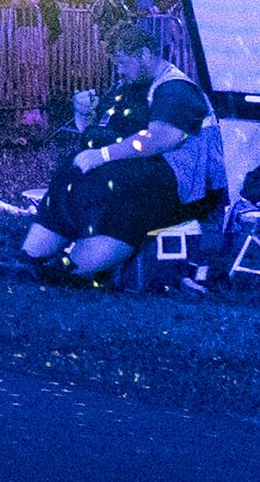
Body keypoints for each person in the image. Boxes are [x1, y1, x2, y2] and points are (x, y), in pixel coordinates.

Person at [23, 21, 222, 286]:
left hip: (188, 188)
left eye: (122, 62)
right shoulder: (128, 89)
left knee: (116, 187)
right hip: (153, 172)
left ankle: (74, 269)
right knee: (71, 174)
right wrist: (83, 113)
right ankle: (30, 258)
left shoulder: (176, 90)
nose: (119, 69)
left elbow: (158, 139)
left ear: (145, 54)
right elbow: (101, 136)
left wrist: (103, 156)